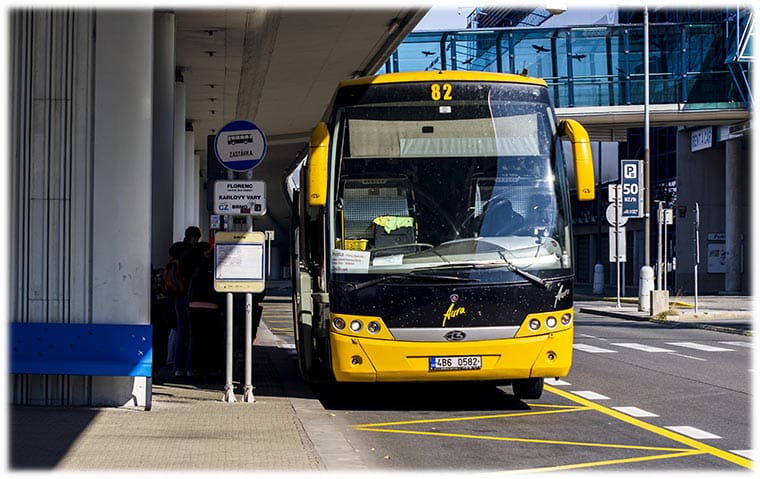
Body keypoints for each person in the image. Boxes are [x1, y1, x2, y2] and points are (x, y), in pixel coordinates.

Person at [185, 241, 225, 377]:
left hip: (194, 306)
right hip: (212, 307)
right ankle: (208, 368)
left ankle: (191, 368)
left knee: (195, 338)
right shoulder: (218, 269)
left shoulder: (199, 267)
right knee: (211, 340)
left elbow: (191, 287)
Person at [170, 226, 202, 377]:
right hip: (190, 297)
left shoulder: (176, 251)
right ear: (194, 237)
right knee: (192, 333)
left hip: (177, 296)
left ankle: (177, 368)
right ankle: (189, 368)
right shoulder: (194, 254)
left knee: (181, 331)